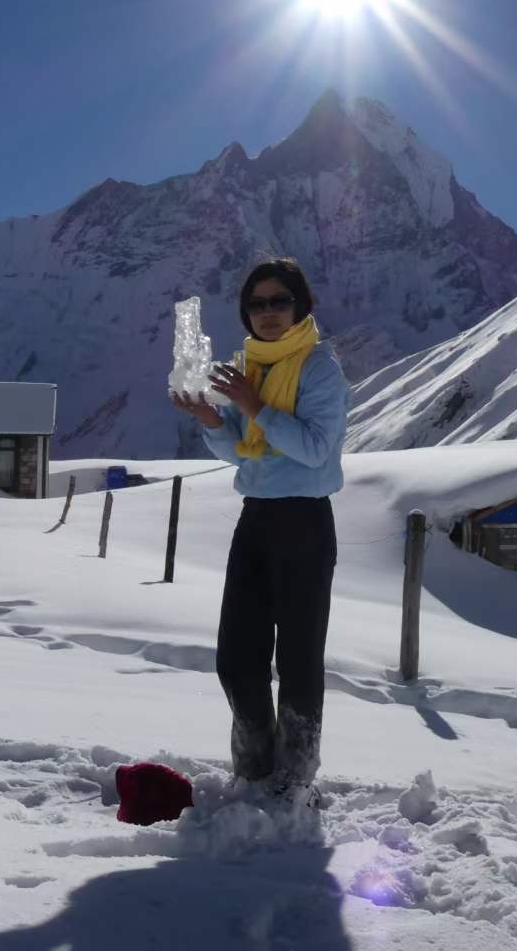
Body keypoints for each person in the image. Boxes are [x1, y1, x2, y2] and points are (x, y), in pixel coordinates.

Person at [170, 258, 349, 800]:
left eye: (279, 301)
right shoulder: (246, 364)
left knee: (297, 657)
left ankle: (294, 776)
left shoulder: (318, 368)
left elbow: (317, 449)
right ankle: (254, 767)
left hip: (305, 519)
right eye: (257, 303)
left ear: (301, 305)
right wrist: (212, 423)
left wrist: (254, 405)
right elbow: (244, 453)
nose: (267, 313)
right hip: (257, 519)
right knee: (236, 655)